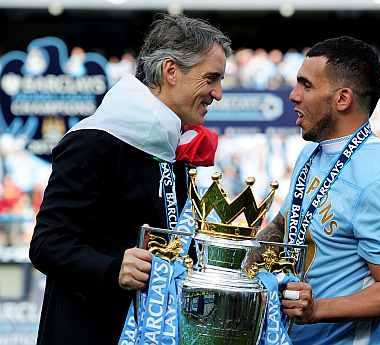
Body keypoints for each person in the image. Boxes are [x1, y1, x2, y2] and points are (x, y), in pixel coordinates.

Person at [29, 14, 231, 345]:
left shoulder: (171, 145)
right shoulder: (94, 141)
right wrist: (113, 268)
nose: (218, 93)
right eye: (211, 79)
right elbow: (46, 245)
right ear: (170, 72)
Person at [256, 36, 380, 344]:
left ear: (343, 99)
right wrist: (239, 264)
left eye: (306, 85)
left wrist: (316, 309)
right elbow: (286, 224)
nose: (293, 95)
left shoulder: (378, 180)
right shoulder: (312, 153)